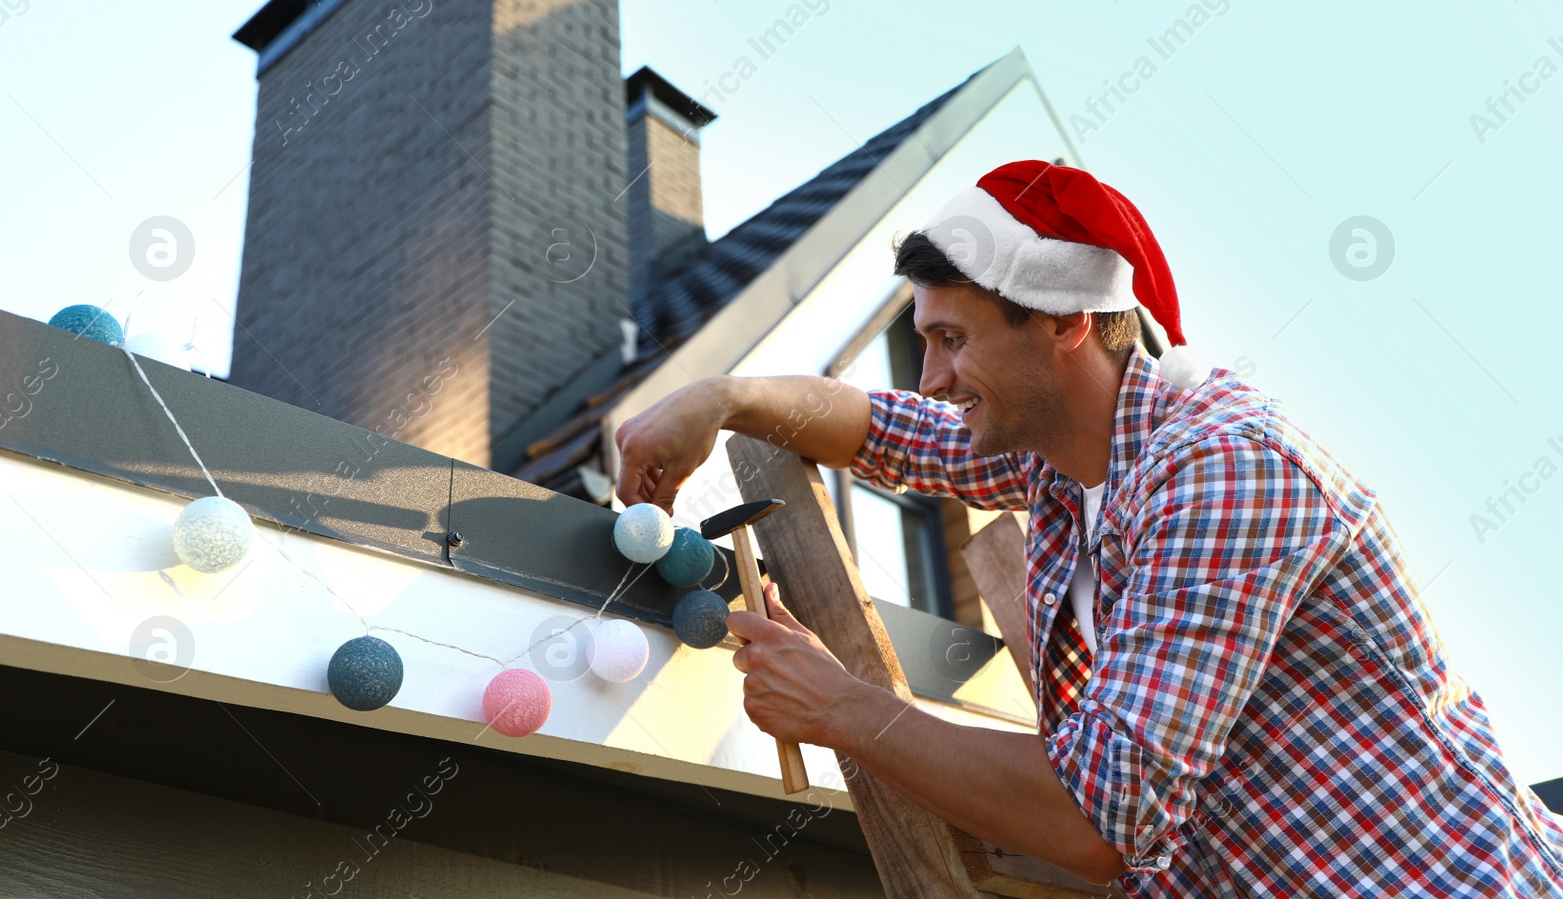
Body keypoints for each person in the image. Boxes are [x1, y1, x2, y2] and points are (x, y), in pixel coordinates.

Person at [613, 160, 1563, 896]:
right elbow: (889, 429)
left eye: (951, 338)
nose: (932, 373)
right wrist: (721, 396)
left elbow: (1099, 821)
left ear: (1064, 322)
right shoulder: (1066, 461)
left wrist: (841, 706)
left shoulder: (1221, 468)